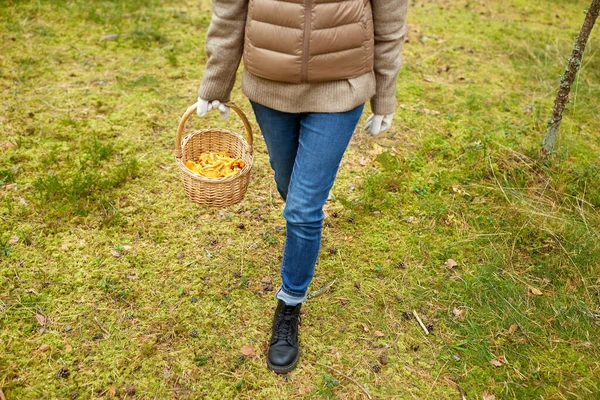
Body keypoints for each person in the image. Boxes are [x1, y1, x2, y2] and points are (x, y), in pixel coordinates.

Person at [197, 0, 408, 374]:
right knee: (286, 180)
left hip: (341, 88)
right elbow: (229, 12)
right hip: (269, 86)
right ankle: (303, 233)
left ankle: (290, 302)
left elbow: (390, 21)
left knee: (302, 208)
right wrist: (216, 82)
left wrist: (385, 96)